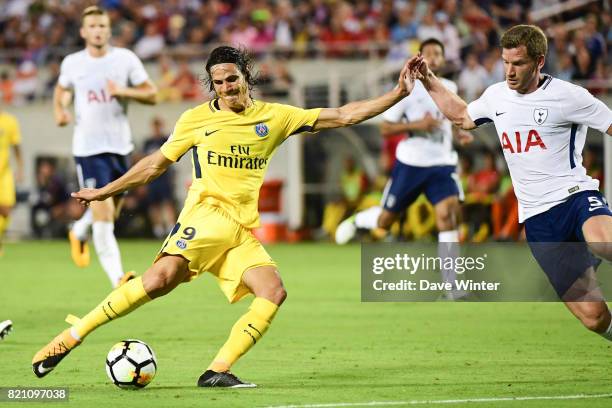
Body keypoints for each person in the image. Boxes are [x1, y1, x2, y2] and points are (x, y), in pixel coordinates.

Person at [32, 46, 418, 387]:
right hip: (205, 216)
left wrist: (398, 93)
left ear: (244, 76)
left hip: (239, 229)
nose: (227, 88)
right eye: (218, 82)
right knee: (157, 281)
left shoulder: (276, 117)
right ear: (211, 85)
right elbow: (153, 166)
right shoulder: (195, 120)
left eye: (231, 79)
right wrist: (104, 191)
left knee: (273, 290)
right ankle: (73, 335)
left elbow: (345, 114)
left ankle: (217, 370)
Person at [410, 25, 612, 337]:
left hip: (575, 196)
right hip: (538, 218)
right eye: (505, 62)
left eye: (518, 63)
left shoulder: (569, 96)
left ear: (539, 61)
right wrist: (428, 78)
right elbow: (462, 115)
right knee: (595, 319)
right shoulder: (496, 96)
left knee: (605, 241)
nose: (509, 71)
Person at [335, 38, 471, 299]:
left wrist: (461, 132)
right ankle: (360, 219)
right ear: (420, 57)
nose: (433, 57)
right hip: (411, 164)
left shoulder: (450, 87)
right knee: (386, 221)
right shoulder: (408, 89)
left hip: (442, 163)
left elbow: (454, 117)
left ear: (443, 59)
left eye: (438, 53)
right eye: (428, 53)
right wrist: (417, 126)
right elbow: (386, 128)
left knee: (448, 215)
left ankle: (452, 286)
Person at [54, 6, 157, 286]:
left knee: (111, 210)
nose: (98, 30)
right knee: (103, 211)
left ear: (108, 30)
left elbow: (152, 94)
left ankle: (78, 231)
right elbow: (62, 89)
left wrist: (123, 91)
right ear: (83, 32)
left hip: (120, 147)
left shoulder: (125, 59)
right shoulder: (73, 62)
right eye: (93, 26)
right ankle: (118, 279)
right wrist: (60, 110)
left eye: (102, 26)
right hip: (88, 149)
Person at [142, 116, 176, 239]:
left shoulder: (165, 139)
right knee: (154, 204)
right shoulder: (148, 142)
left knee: (167, 202)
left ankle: (171, 227)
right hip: (152, 179)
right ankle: (158, 229)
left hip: (164, 177)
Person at [0, 108, 23, 255]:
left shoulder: (9, 121)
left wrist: (20, 168)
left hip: (4, 172)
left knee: (6, 209)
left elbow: (16, 147)